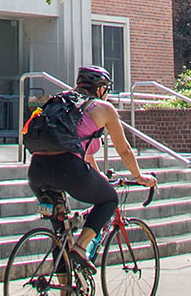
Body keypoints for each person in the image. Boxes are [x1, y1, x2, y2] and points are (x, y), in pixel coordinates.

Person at [27, 65, 158, 272]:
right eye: (105, 88)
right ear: (99, 89)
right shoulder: (102, 109)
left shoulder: (63, 104)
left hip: (37, 170)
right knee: (109, 199)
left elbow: (86, 155)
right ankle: (81, 248)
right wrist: (139, 176)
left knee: (61, 236)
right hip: (66, 169)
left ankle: (65, 295)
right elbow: (124, 150)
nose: (106, 93)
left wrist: (99, 180)